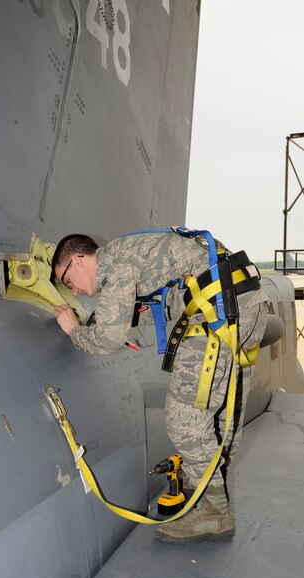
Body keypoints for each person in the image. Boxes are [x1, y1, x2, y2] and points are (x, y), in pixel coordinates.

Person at [52, 230, 268, 543]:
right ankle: (208, 498)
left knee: (185, 420)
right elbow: (168, 296)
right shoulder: (134, 252)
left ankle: (213, 512)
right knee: (221, 415)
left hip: (218, 316)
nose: (77, 291)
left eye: (69, 281)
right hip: (245, 306)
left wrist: (74, 331)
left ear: (79, 259)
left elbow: (108, 340)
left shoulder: (114, 261)